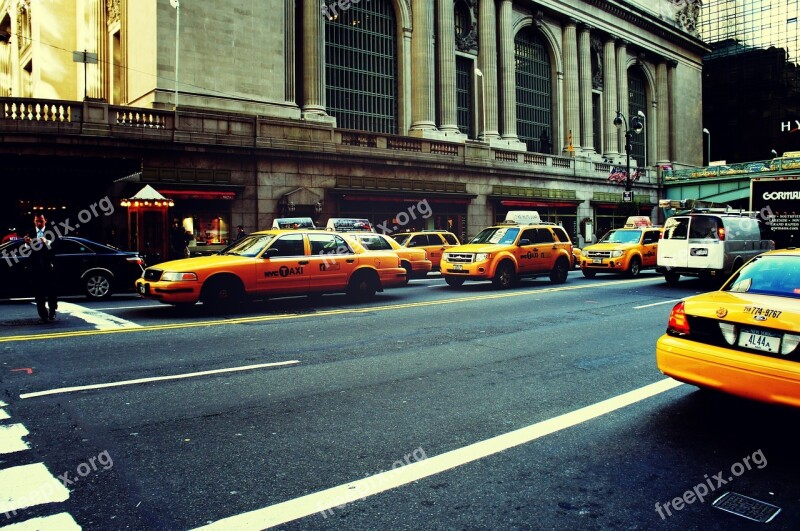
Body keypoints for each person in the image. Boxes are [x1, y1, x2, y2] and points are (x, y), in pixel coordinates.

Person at [24, 214, 58, 322]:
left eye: (41, 221)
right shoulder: (30, 232)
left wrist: (46, 242)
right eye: (37, 221)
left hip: (49, 266)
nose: (39, 223)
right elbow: (27, 250)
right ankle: (43, 315)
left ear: (45, 220)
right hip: (36, 267)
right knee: (39, 292)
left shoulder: (52, 231)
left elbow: (56, 246)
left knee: (51, 291)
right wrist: (27, 244)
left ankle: (52, 312)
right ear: (34, 221)